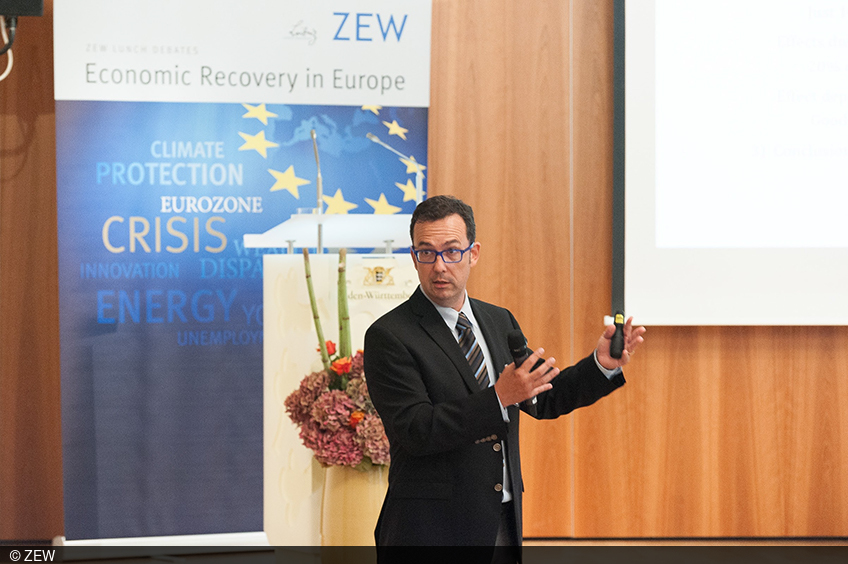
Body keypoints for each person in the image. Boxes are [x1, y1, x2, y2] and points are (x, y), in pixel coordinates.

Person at [364, 195, 645, 561]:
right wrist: (497, 398)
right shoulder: (390, 335)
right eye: (426, 253)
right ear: (413, 257)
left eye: (451, 251)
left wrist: (601, 364)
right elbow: (416, 430)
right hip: (430, 528)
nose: (439, 266)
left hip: (501, 520)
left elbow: (542, 396)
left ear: (473, 253)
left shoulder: (498, 320)